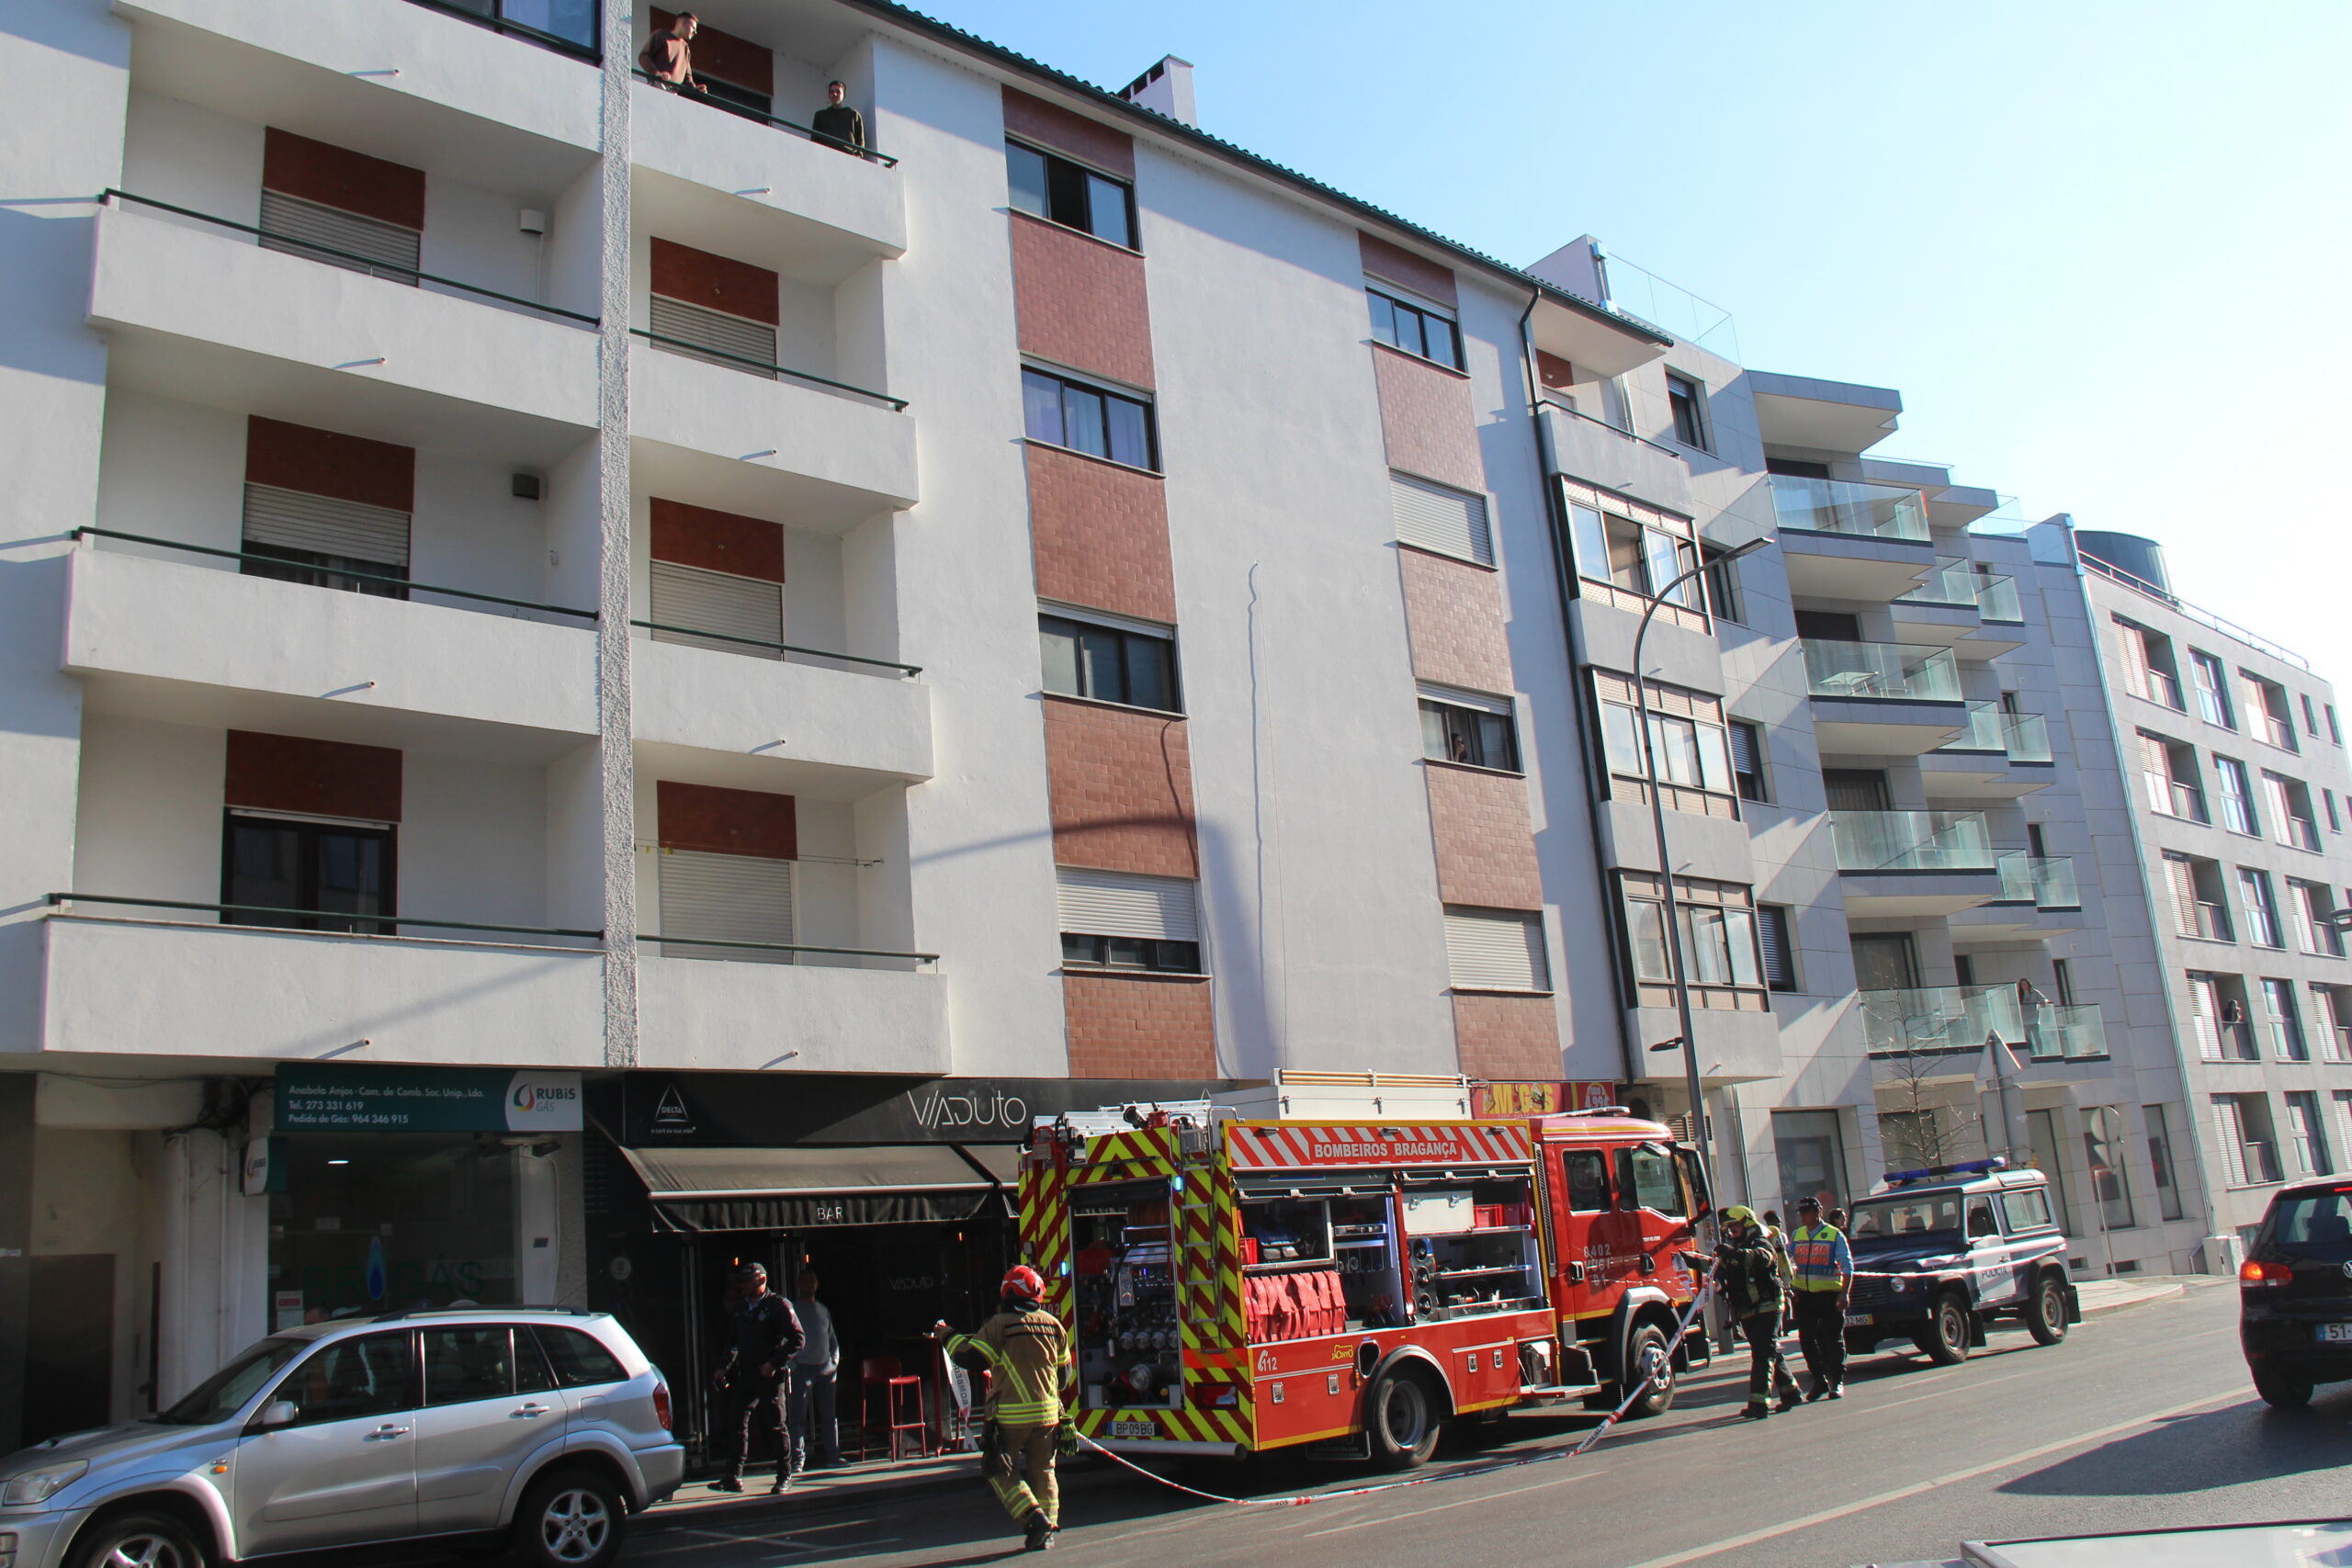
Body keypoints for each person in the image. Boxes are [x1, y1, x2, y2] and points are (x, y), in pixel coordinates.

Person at [937, 1266, 1073, 1552]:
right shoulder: (1054, 1325)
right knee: (1045, 1470)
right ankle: (1047, 1527)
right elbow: (1064, 1377)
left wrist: (947, 1335)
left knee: (997, 1469)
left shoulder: (1000, 1325)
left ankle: (1033, 1519)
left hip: (1011, 1417)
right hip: (1048, 1415)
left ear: (1007, 1292)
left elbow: (971, 1359)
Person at [710, 1262, 803, 1494]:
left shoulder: (777, 1305)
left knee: (775, 1424)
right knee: (737, 1422)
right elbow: (732, 1342)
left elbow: (798, 1338)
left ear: (761, 1281)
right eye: (740, 1282)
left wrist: (774, 1363)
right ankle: (733, 1476)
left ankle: (784, 1476)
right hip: (747, 1373)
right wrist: (723, 1367)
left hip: (769, 1374)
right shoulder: (741, 1308)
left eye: (746, 1281)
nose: (742, 1286)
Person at [1710, 1206, 1801, 1420]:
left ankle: (1759, 1404)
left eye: (1735, 1225)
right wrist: (1691, 1260)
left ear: (1748, 1223)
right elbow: (1720, 1266)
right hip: (1748, 1307)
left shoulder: (1761, 1241)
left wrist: (1733, 1253)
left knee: (1762, 1354)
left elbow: (1763, 1258)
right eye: (1729, 1227)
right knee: (1768, 1350)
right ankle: (1791, 1392)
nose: (1731, 1230)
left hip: (1769, 1304)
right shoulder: (1736, 1244)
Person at [1787, 1196, 1853, 1402]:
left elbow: (1847, 1265)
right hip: (1805, 1296)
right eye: (1801, 1213)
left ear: (1818, 1213)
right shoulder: (1797, 1234)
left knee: (1833, 1340)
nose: (1803, 1217)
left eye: (1806, 1212)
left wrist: (1844, 1293)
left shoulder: (1834, 1235)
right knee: (1806, 1339)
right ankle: (1819, 1380)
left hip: (1829, 1295)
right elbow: (1789, 1260)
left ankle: (1837, 1381)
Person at [788, 1268, 841, 1471]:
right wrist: (792, 1365)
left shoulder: (822, 1309)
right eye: (804, 1281)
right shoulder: (792, 1308)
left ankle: (833, 1455)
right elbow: (786, 1338)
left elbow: (832, 1338)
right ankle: (797, 1459)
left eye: (812, 1281)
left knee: (829, 1415)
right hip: (802, 1368)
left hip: (825, 1369)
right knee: (798, 1418)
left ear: (816, 1284)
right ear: (799, 1284)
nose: (808, 1284)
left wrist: (834, 1361)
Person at [639, 12, 706, 93]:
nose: (695, 32)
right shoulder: (661, 35)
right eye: (693, 28)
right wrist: (656, 73)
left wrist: (696, 88)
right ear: (683, 23)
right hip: (658, 86)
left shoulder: (685, 48)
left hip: (673, 92)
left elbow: (687, 78)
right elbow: (643, 56)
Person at [810, 81, 866, 154]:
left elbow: (860, 141)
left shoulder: (854, 115)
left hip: (848, 156)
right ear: (828, 95)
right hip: (825, 155)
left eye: (838, 91)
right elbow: (814, 139)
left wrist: (858, 156)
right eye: (832, 91)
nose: (835, 94)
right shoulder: (820, 115)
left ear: (844, 95)